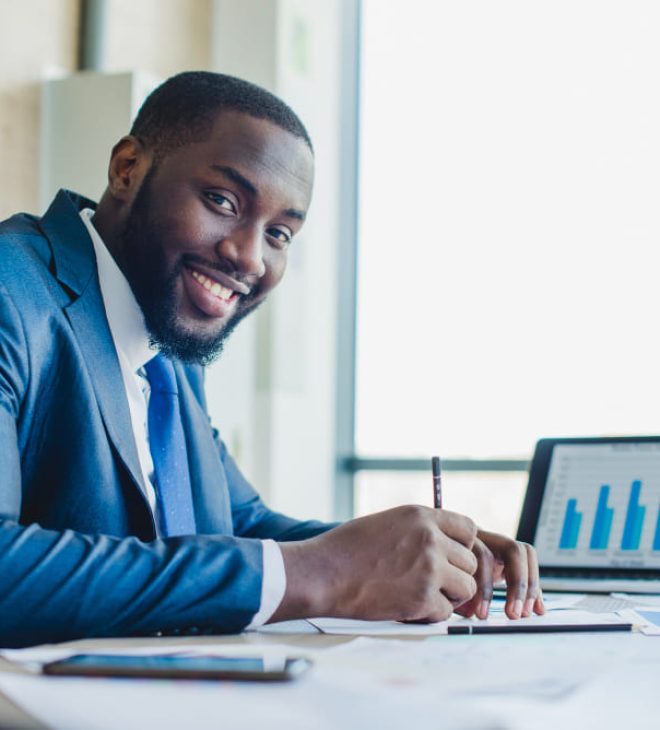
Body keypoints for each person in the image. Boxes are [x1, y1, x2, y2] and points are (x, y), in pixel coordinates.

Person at [0, 72, 543, 648]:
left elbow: (242, 528)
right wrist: (324, 573)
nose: (249, 257)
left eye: (280, 234)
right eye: (223, 201)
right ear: (127, 169)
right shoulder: (14, 291)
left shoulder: (164, 344)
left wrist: (419, 554)